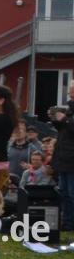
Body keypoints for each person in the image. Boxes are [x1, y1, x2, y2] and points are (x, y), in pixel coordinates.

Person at [50, 82, 74, 232]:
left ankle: (70, 222)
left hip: (72, 160)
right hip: (63, 158)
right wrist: (56, 120)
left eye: (72, 92)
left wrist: (64, 119)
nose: (69, 95)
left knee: (72, 194)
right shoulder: (70, 110)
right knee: (64, 193)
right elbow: (65, 131)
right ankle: (67, 222)